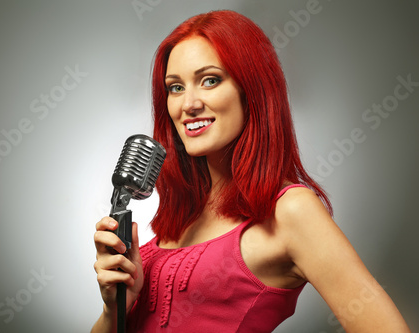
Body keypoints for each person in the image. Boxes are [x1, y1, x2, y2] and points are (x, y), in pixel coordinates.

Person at [92, 10, 410, 332]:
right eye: (175, 88)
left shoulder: (290, 211)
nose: (188, 104)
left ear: (251, 90)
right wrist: (114, 309)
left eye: (210, 80)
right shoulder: (182, 218)